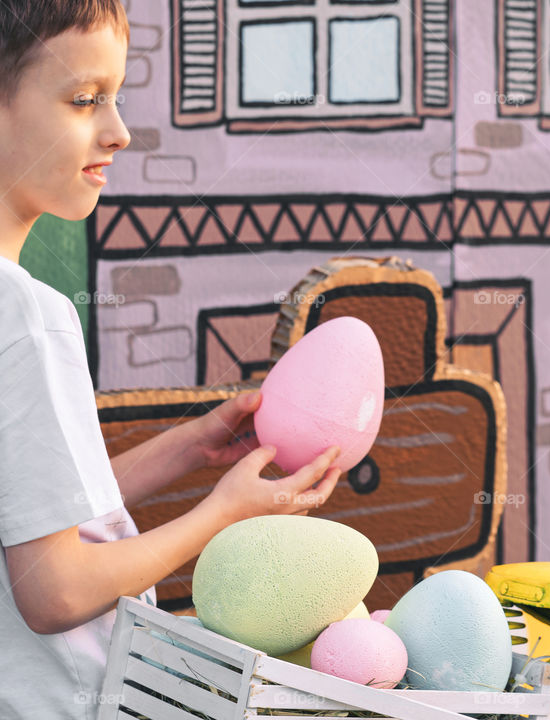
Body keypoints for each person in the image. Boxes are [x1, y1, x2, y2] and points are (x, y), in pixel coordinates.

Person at [0, 3, 343, 718]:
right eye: (83, 100)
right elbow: (55, 589)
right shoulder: (30, 318)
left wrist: (188, 448)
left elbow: (35, 523)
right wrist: (223, 514)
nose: (117, 131)